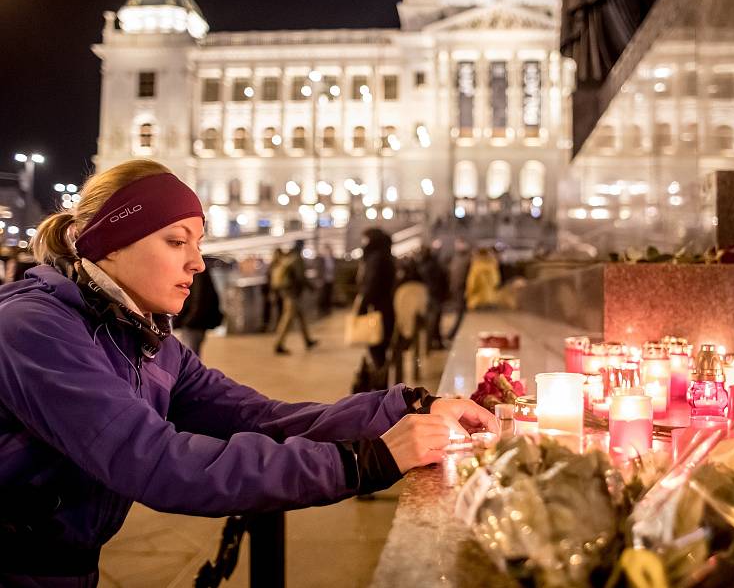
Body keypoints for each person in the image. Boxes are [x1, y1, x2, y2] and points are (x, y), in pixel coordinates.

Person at [0, 160, 498, 587]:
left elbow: (263, 418)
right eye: (176, 241)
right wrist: (367, 462)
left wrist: (406, 408)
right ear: (109, 243)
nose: (197, 262)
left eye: (197, 242)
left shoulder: (146, 340)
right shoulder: (34, 330)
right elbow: (160, 464)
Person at [357, 228, 395, 370]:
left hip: (378, 309)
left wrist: (362, 306)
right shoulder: (385, 256)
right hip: (386, 309)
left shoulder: (376, 258)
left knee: (376, 347)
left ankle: (380, 386)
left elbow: (371, 285)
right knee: (380, 348)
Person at [172, 257, 223, 357]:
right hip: (195, 321)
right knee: (191, 355)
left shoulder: (196, 272)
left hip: (193, 323)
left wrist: (189, 320)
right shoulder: (198, 271)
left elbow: (198, 298)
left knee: (189, 357)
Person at [273, 240, 317, 355]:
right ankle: (279, 344)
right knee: (288, 318)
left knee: (300, 316)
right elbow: (300, 277)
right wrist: (311, 287)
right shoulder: (297, 259)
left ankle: (308, 340)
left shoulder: (290, 257)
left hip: (289, 291)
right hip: (292, 293)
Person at [416, 245, 448, 350]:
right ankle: (435, 343)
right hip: (435, 296)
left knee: (433, 321)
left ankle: (432, 344)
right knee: (435, 321)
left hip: (431, 296)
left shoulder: (423, 265)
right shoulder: (433, 264)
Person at [446, 237, 472, 341]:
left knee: (461, 314)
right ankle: (455, 334)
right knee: (459, 313)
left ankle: (455, 334)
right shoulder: (456, 258)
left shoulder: (468, 258)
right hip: (457, 289)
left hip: (464, 290)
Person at [316, 243, 336, 317]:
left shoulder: (332, 258)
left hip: (330, 279)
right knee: (322, 296)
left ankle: (328, 310)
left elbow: (335, 269)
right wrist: (319, 279)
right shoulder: (321, 259)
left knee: (329, 295)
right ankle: (321, 311)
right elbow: (318, 269)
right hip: (323, 280)